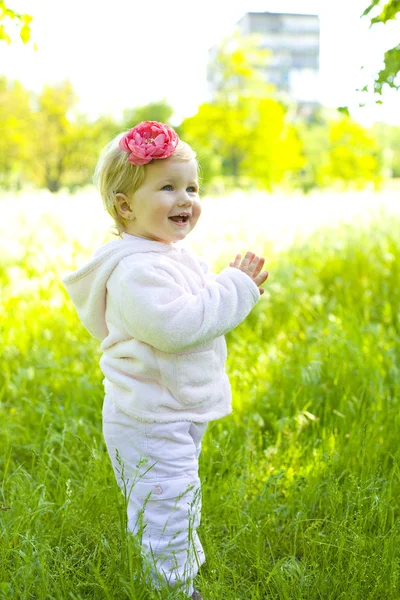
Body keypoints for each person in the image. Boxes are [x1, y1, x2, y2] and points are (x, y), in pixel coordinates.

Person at [61, 121, 269, 599]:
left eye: (192, 187)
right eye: (168, 187)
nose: (185, 199)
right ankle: (174, 590)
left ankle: (175, 572)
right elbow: (178, 328)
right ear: (125, 205)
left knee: (177, 500)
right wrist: (234, 286)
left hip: (169, 410)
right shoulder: (136, 269)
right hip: (148, 419)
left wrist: (232, 287)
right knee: (166, 506)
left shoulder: (166, 254)